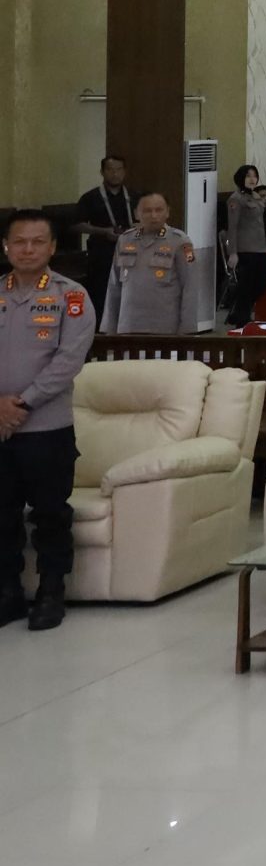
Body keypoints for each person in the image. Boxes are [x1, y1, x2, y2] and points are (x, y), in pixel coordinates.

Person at [0, 211, 94, 631]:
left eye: (38, 242)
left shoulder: (71, 296)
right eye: (19, 241)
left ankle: (51, 592)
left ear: (53, 247)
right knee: (2, 516)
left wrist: (20, 403)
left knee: (50, 514)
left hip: (46, 430)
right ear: (6, 246)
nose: (28, 249)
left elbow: (68, 361)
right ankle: (8, 594)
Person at [102, 191, 200, 334]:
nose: (154, 216)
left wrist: (187, 329)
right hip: (128, 326)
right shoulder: (125, 240)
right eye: (147, 211)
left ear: (168, 212)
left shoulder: (181, 242)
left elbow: (190, 286)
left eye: (159, 210)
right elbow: (114, 286)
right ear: (136, 214)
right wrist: (109, 327)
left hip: (164, 328)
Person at [72, 155, 137, 298]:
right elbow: (77, 225)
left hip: (131, 252)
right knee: (101, 295)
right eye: (110, 169)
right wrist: (103, 231)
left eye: (119, 169)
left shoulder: (135, 196)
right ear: (102, 172)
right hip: (101, 254)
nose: (115, 173)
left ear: (125, 172)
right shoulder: (90, 197)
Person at [222, 165, 266, 326]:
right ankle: (241, 318)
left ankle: (238, 312)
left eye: (254, 176)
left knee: (263, 280)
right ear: (240, 178)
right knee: (247, 285)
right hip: (245, 249)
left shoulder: (256, 196)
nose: (252, 179)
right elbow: (232, 227)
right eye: (248, 176)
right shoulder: (236, 199)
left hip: (260, 247)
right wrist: (233, 252)